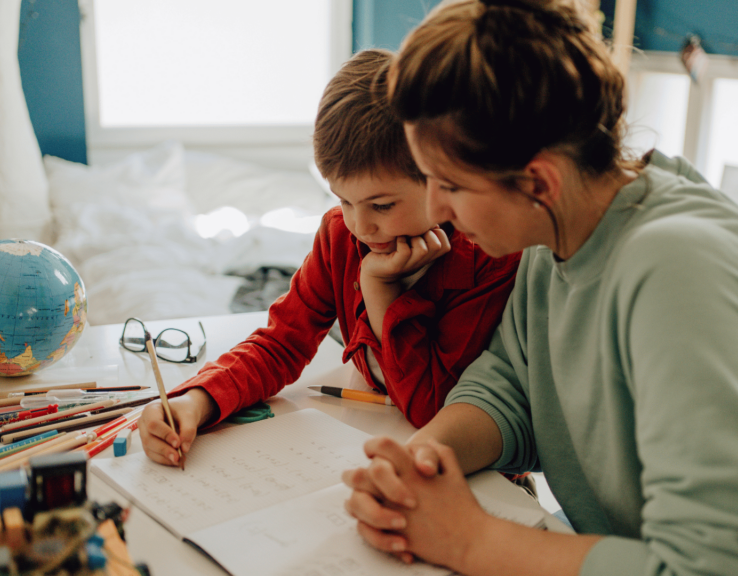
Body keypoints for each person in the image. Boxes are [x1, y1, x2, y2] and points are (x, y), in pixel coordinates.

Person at [342, 1, 738, 575]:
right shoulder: (557, 236)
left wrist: (469, 541)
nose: (436, 207)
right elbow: (516, 384)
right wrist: (423, 459)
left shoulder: (678, 272)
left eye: (449, 184)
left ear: (539, 181)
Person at [138, 49, 520, 467]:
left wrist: (379, 291)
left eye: (382, 205)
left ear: (441, 178)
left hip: (468, 471)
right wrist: (198, 402)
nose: (360, 225)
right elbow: (282, 342)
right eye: (343, 199)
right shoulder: (340, 235)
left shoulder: (487, 260)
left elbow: (432, 408)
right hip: (368, 436)